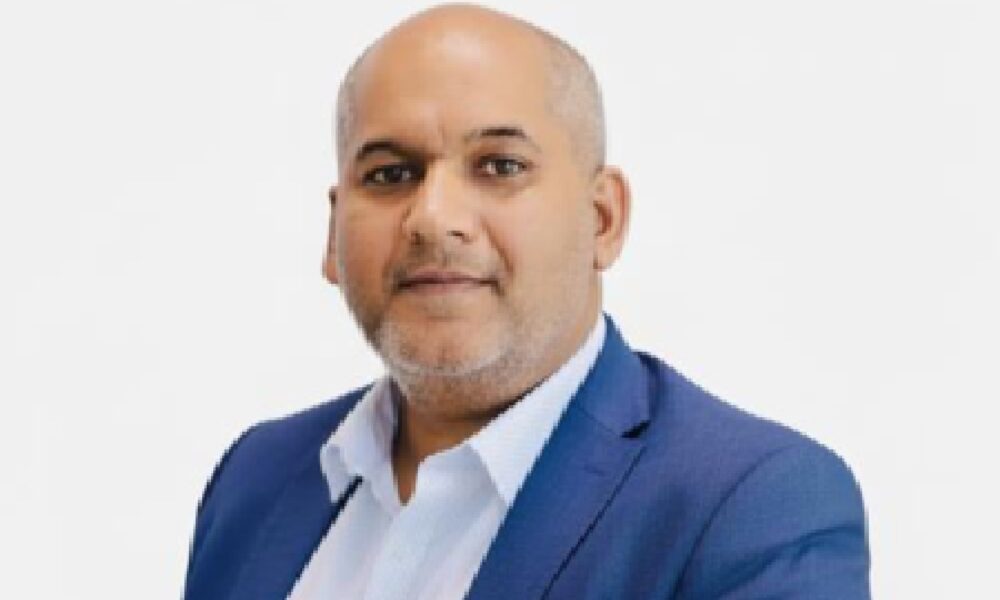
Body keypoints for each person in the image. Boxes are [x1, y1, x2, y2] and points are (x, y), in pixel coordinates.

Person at [183, 4, 870, 599]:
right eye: (390, 174)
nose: (433, 217)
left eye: (500, 167)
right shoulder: (257, 477)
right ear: (334, 234)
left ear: (602, 220)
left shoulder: (753, 507)